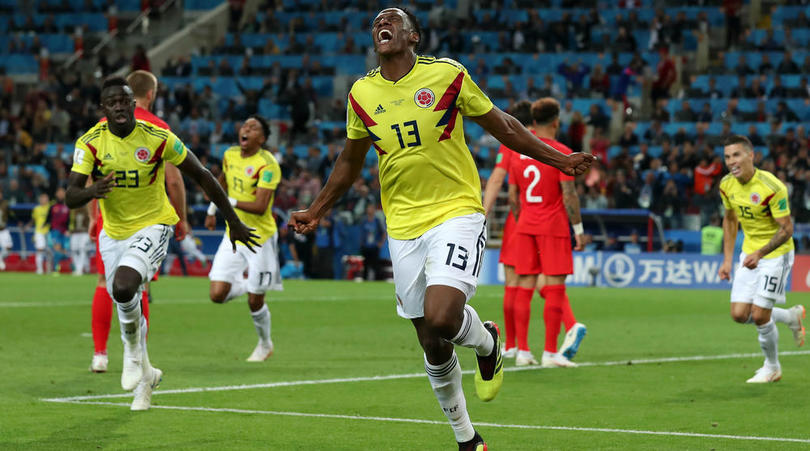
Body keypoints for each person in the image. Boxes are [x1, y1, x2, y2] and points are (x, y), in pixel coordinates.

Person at [288, 8, 594, 450]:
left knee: (442, 314)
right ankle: (467, 439)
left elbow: (503, 125)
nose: (381, 26)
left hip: (456, 212)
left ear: (413, 35)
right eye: (376, 23)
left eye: (391, 21)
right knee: (431, 339)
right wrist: (317, 209)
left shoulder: (448, 75)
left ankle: (487, 342)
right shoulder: (362, 92)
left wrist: (559, 159)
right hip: (403, 225)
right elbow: (351, 160)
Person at [66, 76, 258, 411]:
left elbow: (201, 175)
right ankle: (146, 375)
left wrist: (232, 219)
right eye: (112, 103)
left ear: (134, 103)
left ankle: (130, 354)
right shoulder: (90, 142)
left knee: (125, 288)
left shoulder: (157, 137)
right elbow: (70, 195)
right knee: (124, 295)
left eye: (125, 101)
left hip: (154, 225)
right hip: (113, 233)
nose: (120, 107)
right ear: (103, 109)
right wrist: (91, 192)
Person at [89, 70, 189, 374]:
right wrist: (181, 218)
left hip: (110, 218)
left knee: (104, 284)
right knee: (137, 287)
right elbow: (174, 180)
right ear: (151, 94)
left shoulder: (101, 126)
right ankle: (138, 357)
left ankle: (100, 354)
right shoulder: (157, 127)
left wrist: (94, 214)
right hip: (146, 221)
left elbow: (93, 176)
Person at [507, 97, 587, 368]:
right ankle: (551, 353)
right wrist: (578, 229)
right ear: (556, 122)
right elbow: (569, 194)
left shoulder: (517, 154)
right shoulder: (562, 153)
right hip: (553, 227)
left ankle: (522, 351)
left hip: (526, 225)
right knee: (554, 289)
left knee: (524, 287)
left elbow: (513, 198)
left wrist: (524, 221)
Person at [718, 135, 805, 384]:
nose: (731, 161)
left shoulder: (771, 187)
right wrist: (727, 260)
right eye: (727, 157)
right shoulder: (726, 185)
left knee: (759, 316)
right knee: (738, 314)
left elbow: (787, 229)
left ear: (750, 156)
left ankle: (772, 367)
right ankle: (790, 317)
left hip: (776, 255)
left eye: (736, 155)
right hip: (749, 254)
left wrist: (761, 253)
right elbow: (731, 219)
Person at [205, 115, 283, 362]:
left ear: (261, 138)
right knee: (217, 294)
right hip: (234, 233)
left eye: (253, 128)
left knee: (255, 301)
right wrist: (211, 209)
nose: (246, 129)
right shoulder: (230, 155)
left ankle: (265, 344)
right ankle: (250, 285)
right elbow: (222, 182)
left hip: (260, 237)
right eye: (244, 125)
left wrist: (228, 203)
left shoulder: (268, 164)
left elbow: (260, 206)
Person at [481, 100, 531, 362]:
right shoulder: (545, 146)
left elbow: (497, 179)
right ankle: (526, 348)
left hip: (518, 219)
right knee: (541, 285)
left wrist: (483, 213)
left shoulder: (511, 143)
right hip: (542, 221)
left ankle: (512, 345)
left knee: (513, 283)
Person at [359, 203, 386, 281]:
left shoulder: (377, 221)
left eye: (371, 208)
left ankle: (378, 280)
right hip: (366, 247)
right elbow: (361, 233)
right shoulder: (364, 221)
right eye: (368, 208)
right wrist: (361, 243)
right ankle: (365, 280)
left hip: (374, 246)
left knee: (376, 265)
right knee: (365, 264)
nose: (369, 210)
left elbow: (383, 233)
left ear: (374, 210)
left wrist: (380, 243)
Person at [47, 187, 71, 273]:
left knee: (65, 251)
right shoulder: (53, 206)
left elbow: (69, 220)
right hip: (55, 232)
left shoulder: (68, 206)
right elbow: (48, 219)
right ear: (56, 194)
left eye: (62, 192)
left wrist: (68, 230)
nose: (60, 194)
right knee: (57, 249)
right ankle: (55, 268)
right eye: (59, 192)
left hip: (64, 233)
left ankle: (72, 268)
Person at [29, 192, 51, 275]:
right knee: (40, 249)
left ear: (48, 200)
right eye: (42, 198)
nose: (43, 200)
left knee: (49, 251)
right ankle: (39, 269)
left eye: (45, 198)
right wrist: (27, 226)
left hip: (48, 231)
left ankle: (49, 269)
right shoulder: (36, 209)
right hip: (39, 232)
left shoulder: (50, 208)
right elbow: (33, 219)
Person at [69, 200, 91, 275]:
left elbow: (91, 221)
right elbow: (70, 222)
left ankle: (80, 269)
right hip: (75, 233)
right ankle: (77, 267)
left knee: (82, 249)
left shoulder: (87, 210)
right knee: (74, 249)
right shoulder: (73, 211)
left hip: (84, 233)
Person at [0, 188, 12, 270]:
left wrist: (18, 221)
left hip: (3, 230)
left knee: (8, 248)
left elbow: (11, 214)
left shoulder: (5, 204)